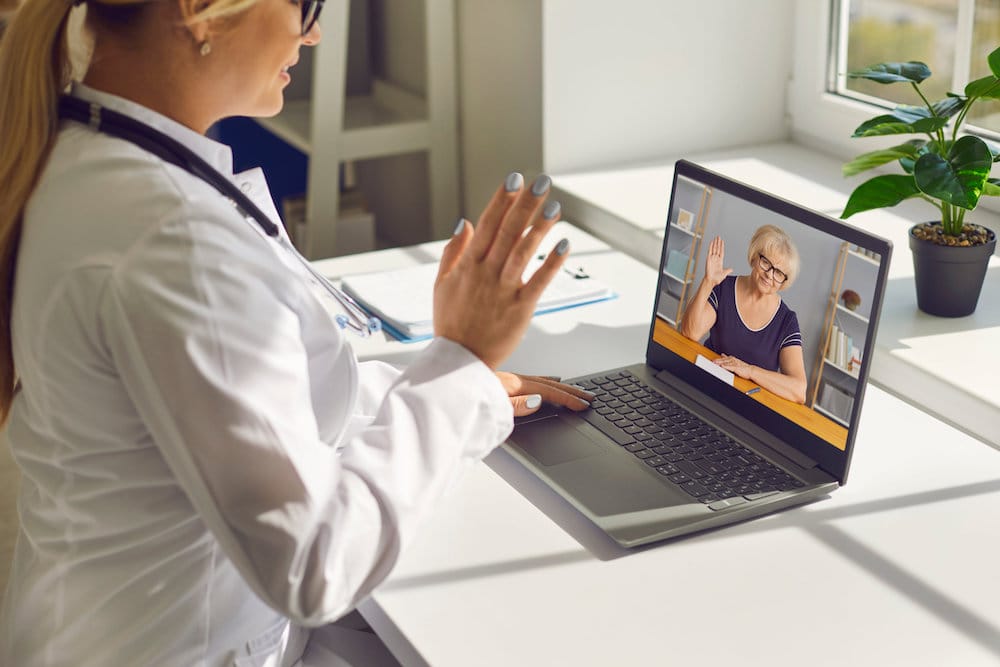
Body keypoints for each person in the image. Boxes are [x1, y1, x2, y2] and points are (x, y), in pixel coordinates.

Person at [0, 0, 595, 664]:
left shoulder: (88, 151)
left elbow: (235, 392)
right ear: (200, 11)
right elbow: (316, 563)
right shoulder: (175, 239)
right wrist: (461, 361)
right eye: (305, 5)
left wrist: (448, 385)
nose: (313, 34)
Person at [678, 225, 807, 404]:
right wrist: (708, 282)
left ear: (784, 281)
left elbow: (799, 390)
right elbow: (690, 332)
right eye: (766, 263)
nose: (770, 275)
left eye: (778, 273)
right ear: (755, 257)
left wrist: (749, 371)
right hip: (706, 388)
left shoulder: (787, 321)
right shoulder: (724, 288)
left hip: (748, 406)